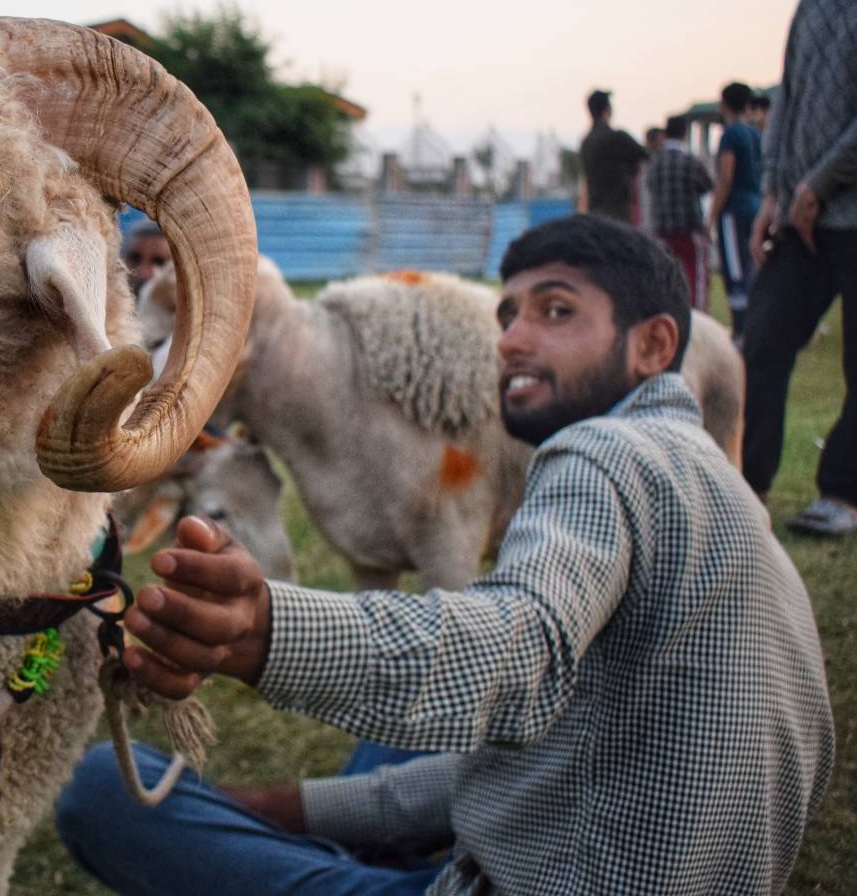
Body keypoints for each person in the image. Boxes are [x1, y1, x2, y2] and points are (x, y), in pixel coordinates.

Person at [56, 216, 834, 895]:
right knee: (399, 712)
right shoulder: (722, 512)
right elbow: (530, 761)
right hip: (594, 843)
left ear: (653, 345)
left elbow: (515, 653)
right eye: (508, 314)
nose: (513, 339)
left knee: (98, 791)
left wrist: (263, 631)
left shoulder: (604, 451)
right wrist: (283, 808)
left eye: (555, 311)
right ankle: (321, 841)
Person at [743, 0, 857, 538]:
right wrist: (775, 192)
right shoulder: (814, 2)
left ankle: (842, 494)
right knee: (760, 344)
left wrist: (819, 184)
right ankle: (749, 488)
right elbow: (786, 101)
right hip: (799, 220)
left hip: (847, 214)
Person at [705, 82, 764, 340]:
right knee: (751, 265)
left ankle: (741, 330)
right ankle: (752, 324)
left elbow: (726, 177)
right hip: (755, 204)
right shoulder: (755, 134)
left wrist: (712, 215)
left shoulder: (730, 134)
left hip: (735, 209)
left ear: (725, 103)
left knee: (735, 268)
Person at [644, 115, 715, 309]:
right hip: (688, 228)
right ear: (684, 133)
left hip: (662, 229)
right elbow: (707, 186)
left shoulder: (655, 163)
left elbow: (650, 188)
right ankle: (697, 319)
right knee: (695, 277)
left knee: (666, 277)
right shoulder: (689, 161)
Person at [576, 89, 647, 224]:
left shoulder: (586, 142)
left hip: (595, 216)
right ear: (608, 109)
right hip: (619, 215)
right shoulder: (617, 137)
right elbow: (646, 157)